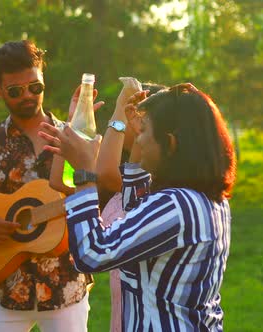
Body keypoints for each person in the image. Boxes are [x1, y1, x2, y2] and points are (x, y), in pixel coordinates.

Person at [39, 83, 236, 331]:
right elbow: (135, 209)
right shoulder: (204, 199)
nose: (138, 140)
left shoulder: (177, 206)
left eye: (144, 133)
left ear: (170, 143)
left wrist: (84, 171)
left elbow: (92, 254)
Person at [0, 40, 93, 332]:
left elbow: (93, 195)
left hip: (65, 285)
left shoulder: (73, 140)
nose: (27, 96)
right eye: (15, 91)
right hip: (2, 287)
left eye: (35, 87)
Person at [96, 80, 166, 332]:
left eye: (132, 114)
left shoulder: (148, 178)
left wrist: (118, 107)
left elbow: (104, 172)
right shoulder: (133, 170)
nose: (123, 122)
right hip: (128, 307)